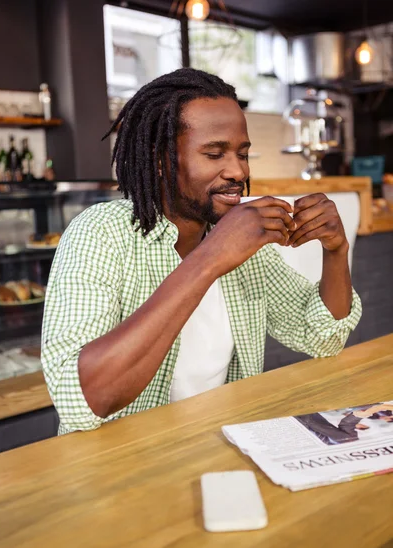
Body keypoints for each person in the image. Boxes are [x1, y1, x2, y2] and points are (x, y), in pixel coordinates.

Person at [41, 68, 362, 435]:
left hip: (219, 448)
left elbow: (321, 335)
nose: (238, 171)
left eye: (243, 154)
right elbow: (82, 398)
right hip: (119, 469)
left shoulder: (243, 245)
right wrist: (211, 258)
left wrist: (336, 251)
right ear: (160, 157)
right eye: (214, 154)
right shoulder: (101, 233)